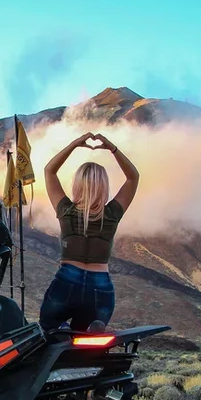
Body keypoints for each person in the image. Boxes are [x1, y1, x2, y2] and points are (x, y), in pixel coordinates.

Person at [38, 131, 139, 333]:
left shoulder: (65, 210)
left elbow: (49, 170)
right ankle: (87, 339)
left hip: (67, 281)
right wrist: (112, 148)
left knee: (47, 331)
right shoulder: (112, 214)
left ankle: (61, 333)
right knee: (87, 344)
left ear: (77, 185)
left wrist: (75, 143)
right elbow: (133, 177)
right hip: (100, 287)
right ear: (104, 187)